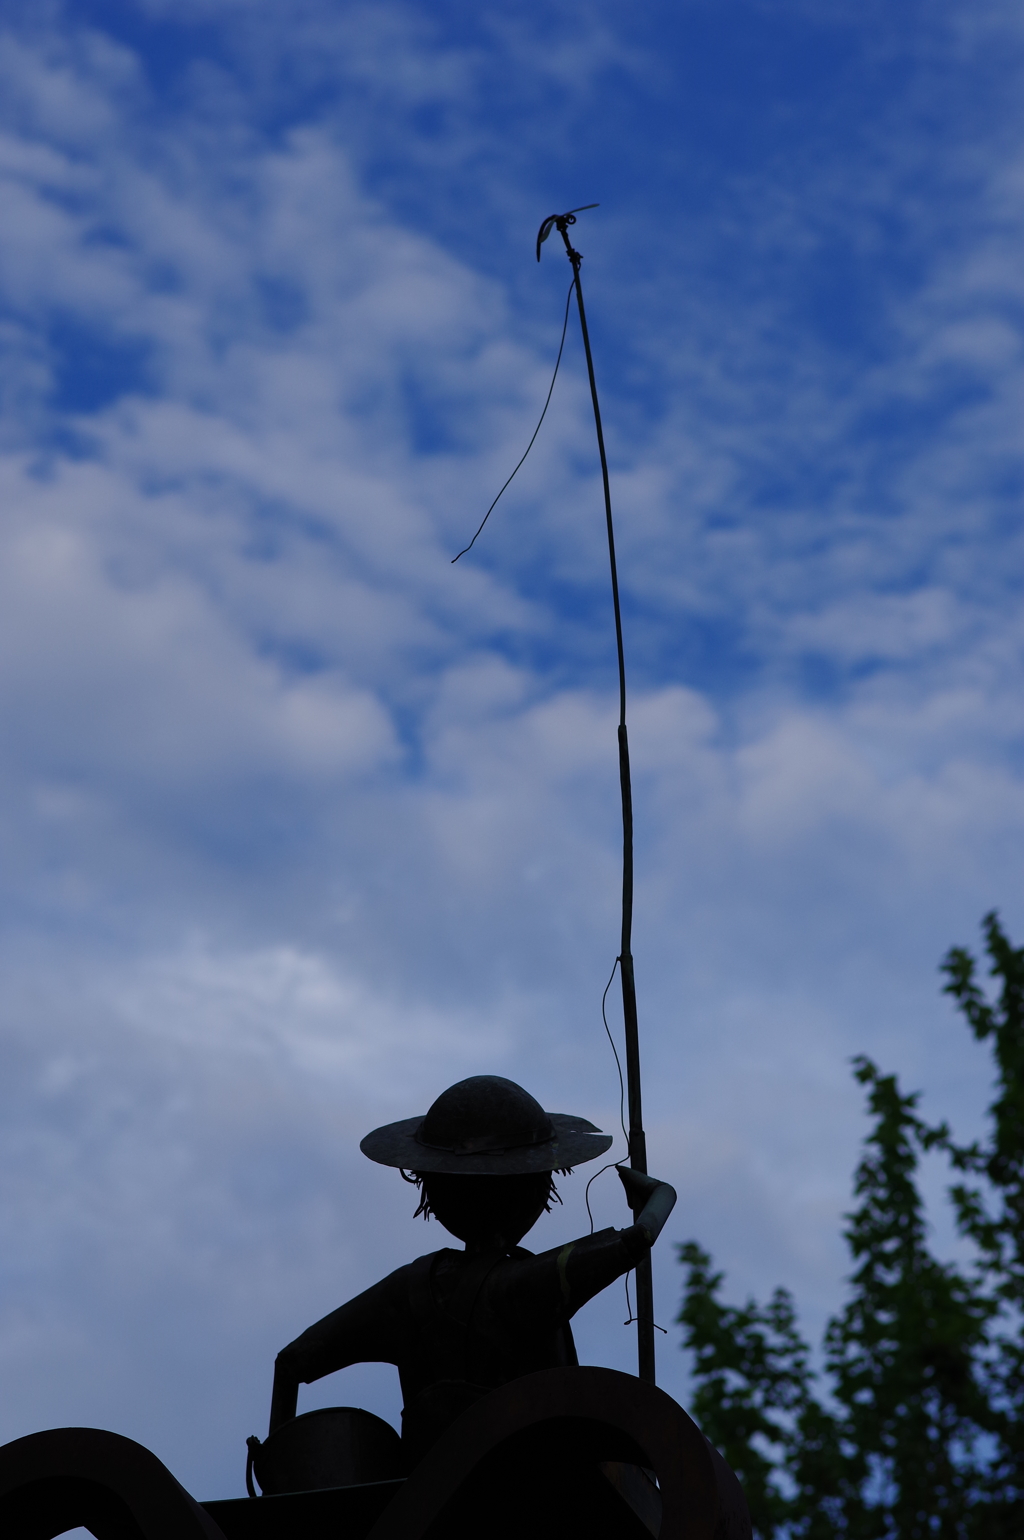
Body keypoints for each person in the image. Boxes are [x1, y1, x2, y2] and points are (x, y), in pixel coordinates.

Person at [268, 1075, 676, 1463]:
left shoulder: (403, 1292)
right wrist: (661, 1193)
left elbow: (291, 1362)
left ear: (431, 1185)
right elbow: (634, 1241)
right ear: (537, 1189)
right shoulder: (524, 1284)